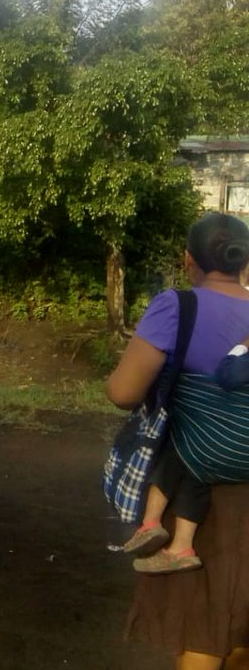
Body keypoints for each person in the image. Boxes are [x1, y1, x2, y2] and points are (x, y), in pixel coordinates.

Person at [108, 211, 249, 669]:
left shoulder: (177, 306)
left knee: (202, 627)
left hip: (199, 490)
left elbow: (123, 393)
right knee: (242, 623)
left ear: (189, 261)